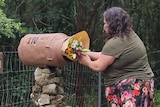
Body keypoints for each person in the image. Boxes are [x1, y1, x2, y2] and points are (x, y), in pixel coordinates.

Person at [78, 7, 154, 107]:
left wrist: (86, 61)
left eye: (105, 23)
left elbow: (98, 66)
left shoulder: (115, 42)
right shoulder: (128, 35)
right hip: (142, 84)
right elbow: (107, 56)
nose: (104, 27)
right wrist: (87, 53)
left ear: (113, 24)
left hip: (132, 89)